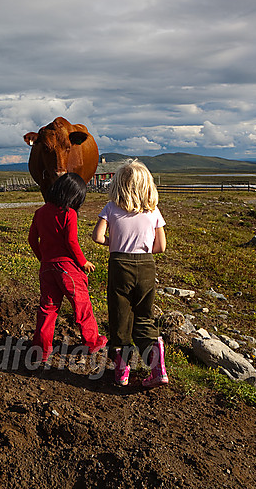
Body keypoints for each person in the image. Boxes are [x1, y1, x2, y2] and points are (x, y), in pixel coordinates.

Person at [91, 159, 168, 387]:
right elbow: (161, 247)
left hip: (120, 265)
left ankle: (122, 371)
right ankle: (158, 368)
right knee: (144, 316)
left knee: (120, 317)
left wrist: (114, 242)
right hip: (146, 266)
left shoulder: (111, 208)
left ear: (118, 184)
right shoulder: (154, 210)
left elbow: (97, 237)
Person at [28, 173, 107, 366]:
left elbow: (32, 239)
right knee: (82, 306)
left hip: (47, 268)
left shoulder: (40, 212)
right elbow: (71, 241)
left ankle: (41, 350)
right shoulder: (68, 213)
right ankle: (92, 342)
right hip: (67, 269)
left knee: (47, 309)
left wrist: (44, 259)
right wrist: (83, 262)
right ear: (74, 196)